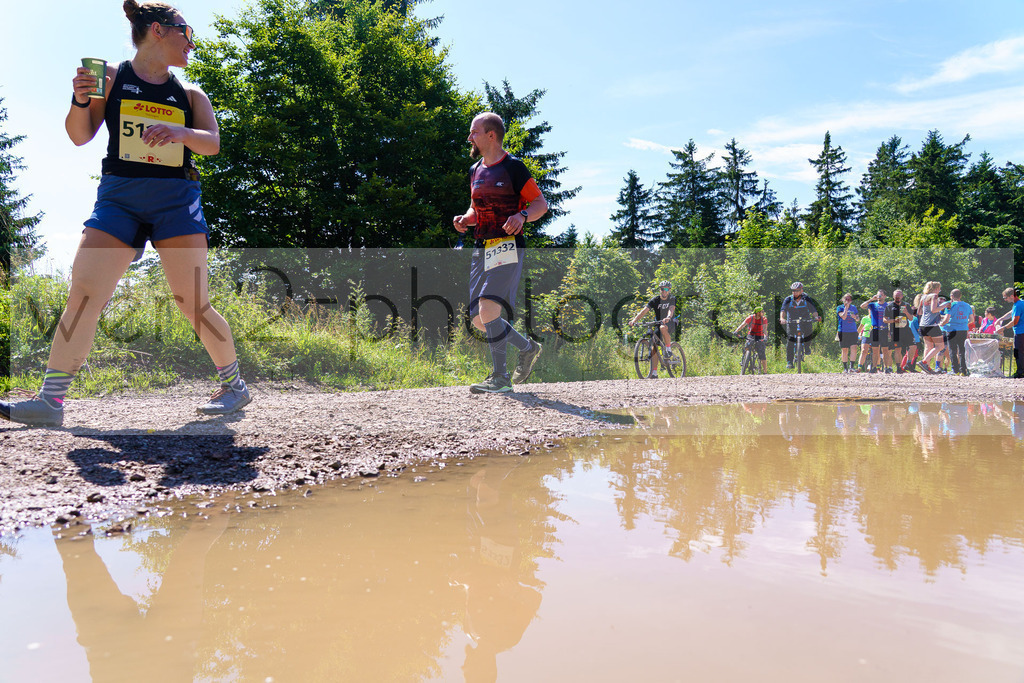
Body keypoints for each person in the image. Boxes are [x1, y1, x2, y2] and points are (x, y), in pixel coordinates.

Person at [1, 0, 249, 428]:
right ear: (158, 29)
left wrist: (180, 132)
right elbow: (80, 135)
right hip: (119, 199)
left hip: (176, 200)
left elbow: (212, 142)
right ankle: (50, 402)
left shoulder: (191, 94)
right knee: (84, 293)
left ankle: (235, 387)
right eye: (187, 32)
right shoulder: (108, 77)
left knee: (192, 301)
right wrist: (81, 100)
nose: (192, 43)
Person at [453, 112, 547, 394]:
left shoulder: (513, 168)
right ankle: (528, 348)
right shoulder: (475, 170)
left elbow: (540, 204)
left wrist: (522, 216)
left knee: (488, 308)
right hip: (481, 247)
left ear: (491, 135)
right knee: (479, 319)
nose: (470, 137)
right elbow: (475, 208)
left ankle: (500, 378)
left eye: (474, 132)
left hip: (506, 245)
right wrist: (466, 219)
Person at [629, 280, 677, 379]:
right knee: (653, 347)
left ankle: (668, 349)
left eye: (666, 289)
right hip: (658, 322)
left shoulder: (672, 298)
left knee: (663, 327)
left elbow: (671, 309)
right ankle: (654, 373)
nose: (664, 291)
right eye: (662, 289)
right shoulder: (655, 300)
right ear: (660, 290)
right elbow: (644, 311)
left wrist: (668, 317)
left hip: (671, 321)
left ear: (669, 290)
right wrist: (634, 320)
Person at [780, 282, 821, 369]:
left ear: (801, 290)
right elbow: (783, 310)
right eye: (793, 290)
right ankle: (789, 362)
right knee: (790, 340)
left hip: (805, 320)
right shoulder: (788, 299)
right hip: (792, 321)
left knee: (809, 333)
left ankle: (807, 347)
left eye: (797, 290)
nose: (794, 292)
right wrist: (782, 318)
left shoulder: (806, 299)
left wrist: (816, 317)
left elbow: (813, 310)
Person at [918, 281, 950, 375]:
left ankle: (926, 368)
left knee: (928, 347)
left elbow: (919, 312)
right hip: (932, 325)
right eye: (939, 289)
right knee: (940, 346)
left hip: (923, 324)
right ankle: (924, 362)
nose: (939, 291)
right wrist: (945, 304)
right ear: (936, 288)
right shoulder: (934, 296)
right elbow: (934, 310)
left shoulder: (923, 297)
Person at [941, 289, 974, 376]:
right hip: (963, 329)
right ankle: (963, 370)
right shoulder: (967, 305)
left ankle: (955, 370)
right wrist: (963, 323)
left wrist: (941, 324)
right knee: (962, 350)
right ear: (960, 296)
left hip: (952, 329)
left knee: (952, 350)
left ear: (951, 296)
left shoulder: (950, 305)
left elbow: (946, 319)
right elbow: (972, 319)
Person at [860, 289, 892, 373]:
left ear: (885, 296)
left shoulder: (887, 305)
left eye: (881, 295)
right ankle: (874, 367)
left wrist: (889, 331)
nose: (879, 297)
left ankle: (886, 368)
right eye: (878, 295)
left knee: (885, 350)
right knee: (875, 350)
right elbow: (862, 306)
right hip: (875, 329)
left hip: (884, 329)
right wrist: (871, 299)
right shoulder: (873, 304)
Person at [995, 287, 1024, 379]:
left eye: (1005, 297)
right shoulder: (1020, 303)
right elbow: (1010, 313)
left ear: (1012, 296)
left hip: (1020, 332)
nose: (1005, 300)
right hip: (1021, 332)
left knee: (1019, 352)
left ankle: (1020, 373)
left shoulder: (1018, 305)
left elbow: (1015, 321)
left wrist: (1003, 328)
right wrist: (1000, 319)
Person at [733, 306, 769, 373]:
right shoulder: (750, 318)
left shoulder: (764, 319)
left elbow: (765, 329)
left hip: (760, 335)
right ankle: (744, 360)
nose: (763, 313)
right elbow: (743, 325)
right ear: (758, 313)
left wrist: (765, 337)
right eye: (762, 312)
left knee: (762, 354)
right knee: (747, 346)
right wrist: (736, 331)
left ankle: (765, 372)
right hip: (751, 335)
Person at [887, 289, 914, 374]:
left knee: (913, 346)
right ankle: (899, 367)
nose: (897, 297)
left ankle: (908, 363)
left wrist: (906, 312)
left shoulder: (906, 305)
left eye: (899, 295)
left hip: (906, 330)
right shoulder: (889, 306)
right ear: (893, 296)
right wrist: (894, 321)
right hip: (895, 331)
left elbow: (911, 318)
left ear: (902, 296)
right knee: (897, 349)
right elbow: (884, 319)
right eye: (896, 296)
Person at [835, 293, 859, 372]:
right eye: (846, 299)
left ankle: (851, 367)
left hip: (853, 330)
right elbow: (844, 317)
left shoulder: (854, 307)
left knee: (854, 348)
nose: (848, 301)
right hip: (843, 331)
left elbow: (858, 319)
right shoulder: (840, 307)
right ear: (843, 300)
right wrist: (846, 308)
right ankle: (845, 368)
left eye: (849, 299)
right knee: (845, 349)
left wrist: (855, 317)